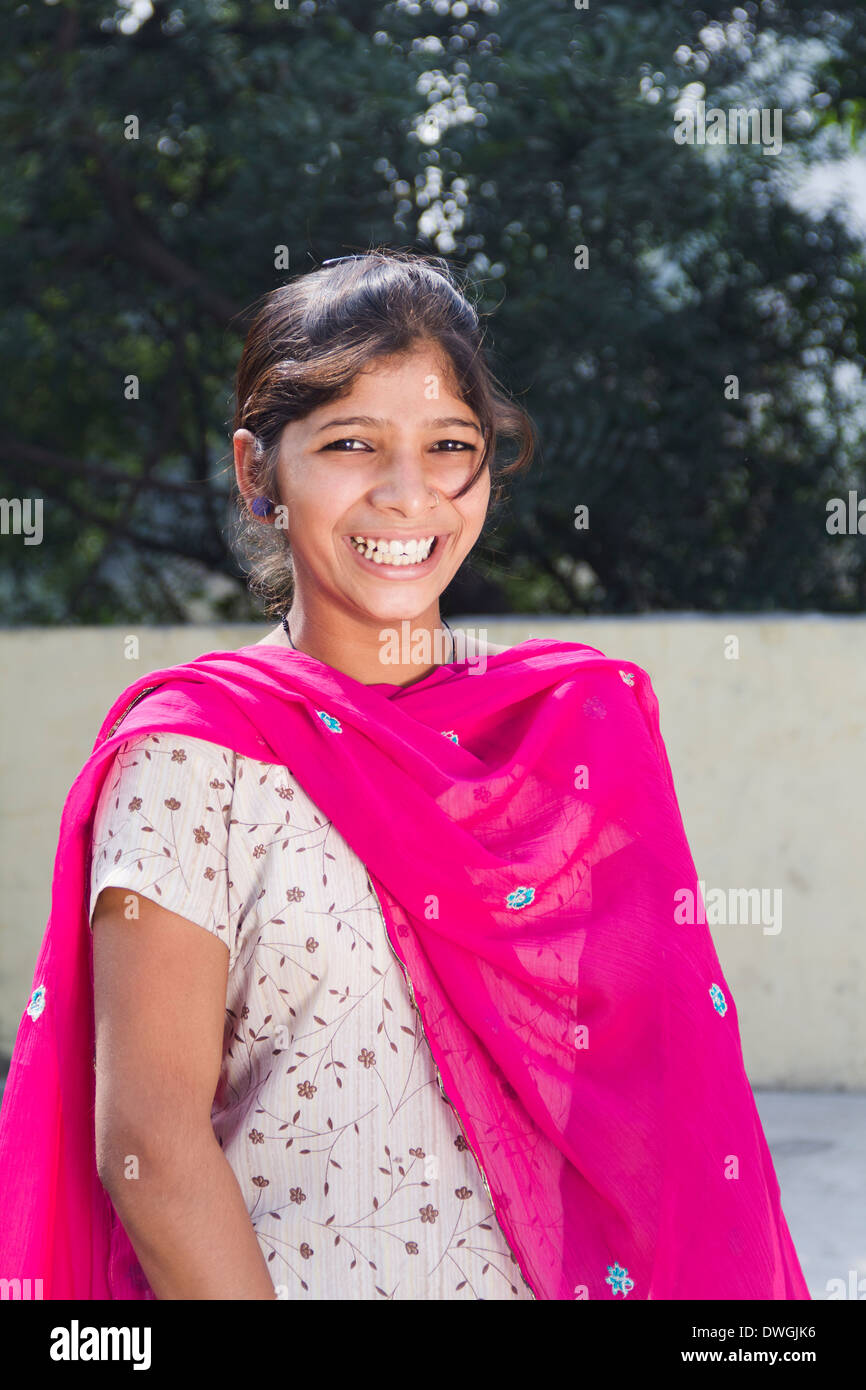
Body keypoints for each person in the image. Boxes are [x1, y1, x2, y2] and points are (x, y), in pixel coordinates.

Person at [0, 249, 810, 1301]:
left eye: (448, 446)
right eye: (349, 443)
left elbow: (656, 1112)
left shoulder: (569, 736)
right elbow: (146, 1150)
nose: (406, 494)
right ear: (257, 473)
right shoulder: (194, 756)